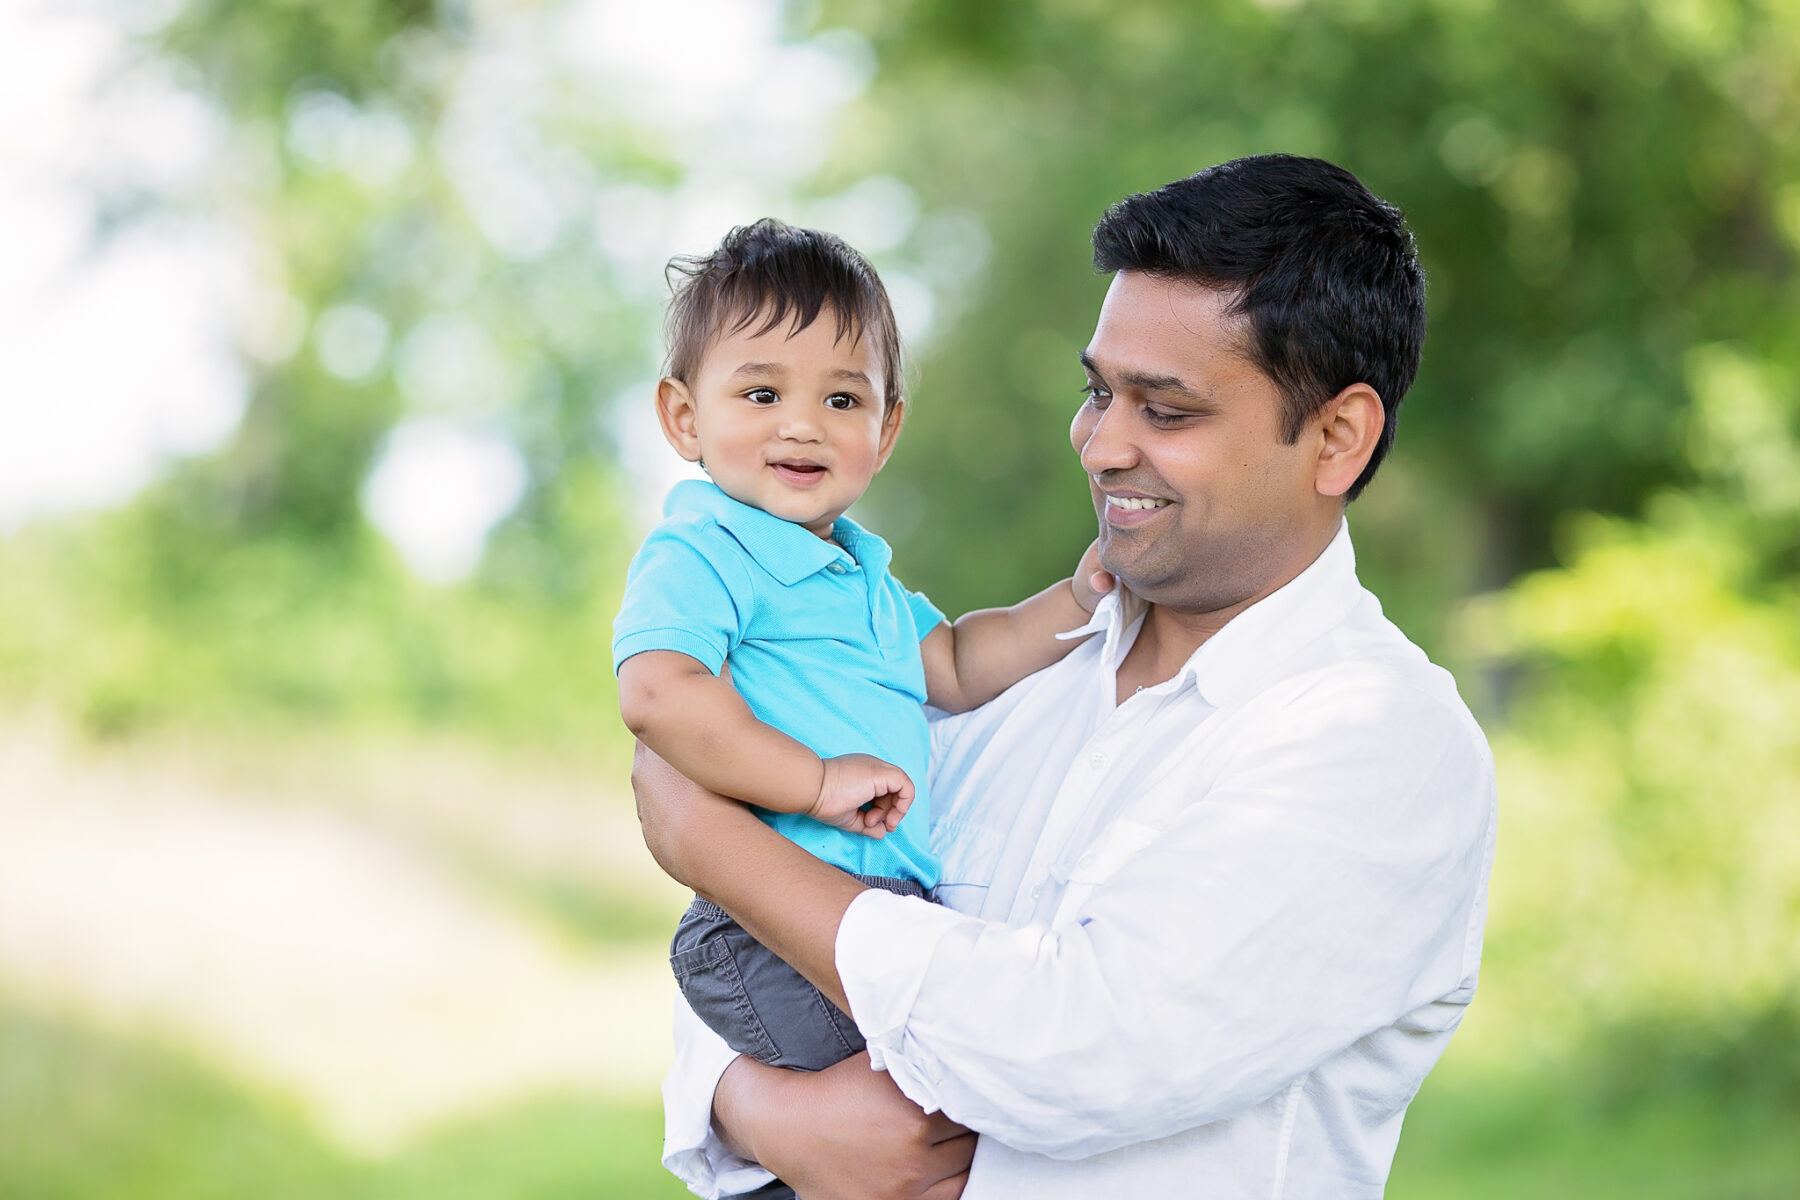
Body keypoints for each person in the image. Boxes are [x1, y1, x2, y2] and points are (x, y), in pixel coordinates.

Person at [637, 155, 1498, 1200]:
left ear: (1337, 438)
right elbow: (757, 956)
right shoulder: (1005, 685)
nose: (1101, 445)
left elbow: (1075, 1052)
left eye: (1166, 411)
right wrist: (752, 1108)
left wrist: (708, 842)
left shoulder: (1379, 741)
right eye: (1099, 393)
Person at [614, 219, 1108, 1082]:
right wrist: (815, 780)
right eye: (762, 395)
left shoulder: (864, 578)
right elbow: (658, 694)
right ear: (683, 416)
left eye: (842, 401)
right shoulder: (704, 551)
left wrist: (1074, 600)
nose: (803, 427)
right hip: (766, 921)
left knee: (952, 1082)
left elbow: (955, 662)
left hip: (886, 909)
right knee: (931, 1089)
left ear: (885, 431)